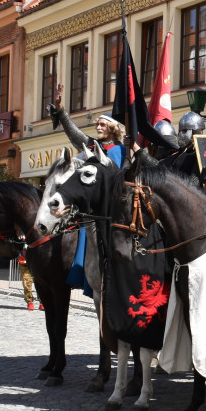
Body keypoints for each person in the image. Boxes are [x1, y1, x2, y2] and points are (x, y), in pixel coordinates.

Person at [48, 84, 126, 292]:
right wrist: (61, 110)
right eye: (97, 125)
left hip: (113, 208)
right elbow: (76, 136)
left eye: (102, 124)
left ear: (112, 128)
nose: (98, 127)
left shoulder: (119, 149)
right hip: (95, 206)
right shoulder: (95, 147)